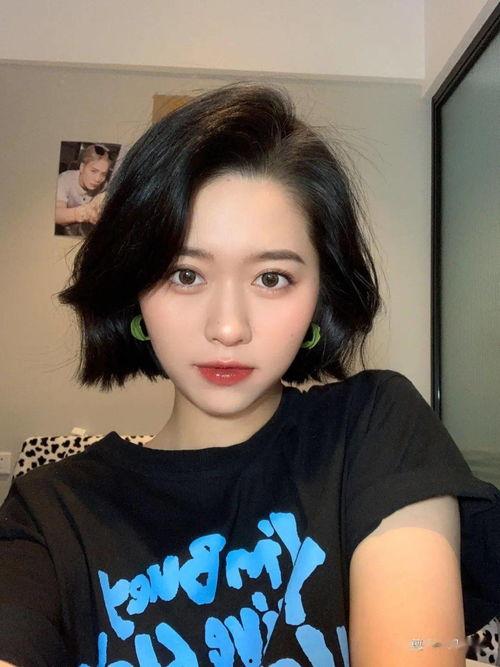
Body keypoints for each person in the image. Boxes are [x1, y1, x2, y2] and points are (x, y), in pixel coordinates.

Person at [1, 82, 499, 667]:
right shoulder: (48, 512)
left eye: (272, 278)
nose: (228, 328)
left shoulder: (375, 430)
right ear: (135, 289)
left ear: (320, 295)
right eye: (185, 275)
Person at [54, 144, 113, 236]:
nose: (98, 179)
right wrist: (83, 213)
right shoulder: (65, 179)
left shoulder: (104, 185)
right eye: (94, 171)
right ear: (82, 167)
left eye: (103, 174)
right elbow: (56, 214)